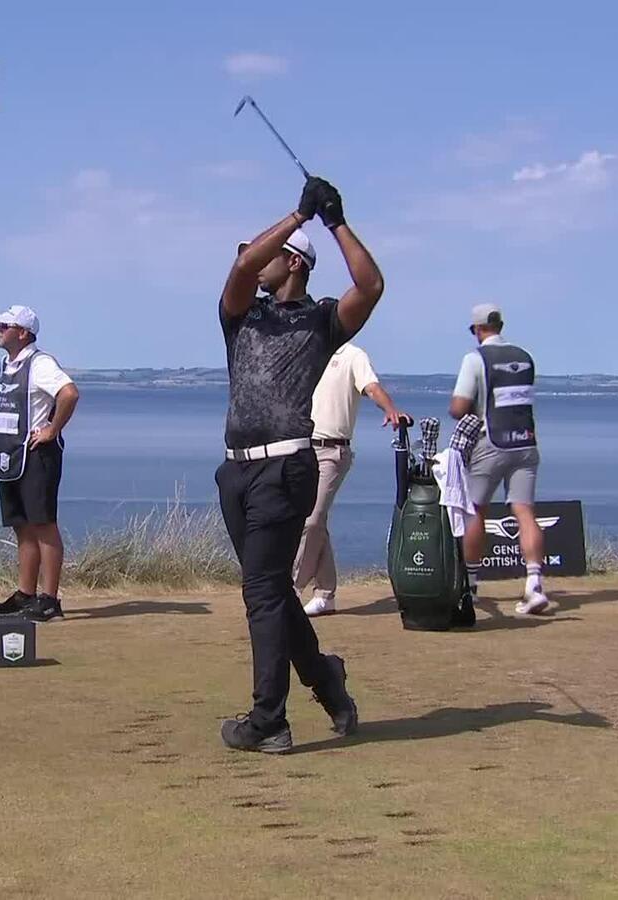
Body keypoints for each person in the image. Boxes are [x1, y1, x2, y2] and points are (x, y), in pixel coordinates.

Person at [216, 175, 383, 753]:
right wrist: (297, 215)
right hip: (236, 472)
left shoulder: (323, 321)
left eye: (263, 256)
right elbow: (239, 275)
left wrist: (334, 221)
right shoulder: (242, 314)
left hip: (286, 467)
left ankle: (269, 720)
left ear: (293, 263)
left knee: (262, 591)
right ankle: (328, 682)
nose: (249, 260)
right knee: (272, 592)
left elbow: (372, 283)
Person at [450, 302, 552, 616]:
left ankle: (470, 583)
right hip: (525, 443)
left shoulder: (475, 358)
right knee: (525, 511)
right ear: (501, 325)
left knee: (476, 511)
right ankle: (534, 584)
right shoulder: (525, 357)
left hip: (490, 443)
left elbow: (459, 406)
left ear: (477, 329)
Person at [296, 342, 409, 616]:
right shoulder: (308, 352)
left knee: (312, 520)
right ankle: (325, 595)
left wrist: (390, 409)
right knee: (315, 521)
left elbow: (371, 387)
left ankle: (290, 587)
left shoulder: (352, 355)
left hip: (333, 451)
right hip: (301, 447)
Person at [0, 305, 80, 622]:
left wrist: (53, 429)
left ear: (23, 332)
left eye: (5, 325)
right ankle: (26, 594)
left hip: (37, 454)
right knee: (21, 526)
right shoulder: (9, 363)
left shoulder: (41, 364)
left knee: (43, 524)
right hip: (9, 455)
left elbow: (69, 393)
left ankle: (50, 600)